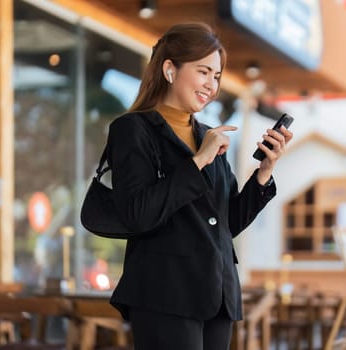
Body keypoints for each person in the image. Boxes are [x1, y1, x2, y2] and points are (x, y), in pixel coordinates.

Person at [106, 22, 293, 349]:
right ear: (169, 69)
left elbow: (227, 222)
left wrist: (265, 170)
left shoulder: (208, 136)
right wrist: (197, 161)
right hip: (165, 293)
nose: (212, 84)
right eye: (204, 71)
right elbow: (137, 214)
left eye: (217, 76)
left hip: (217, 295)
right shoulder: (133, 130)